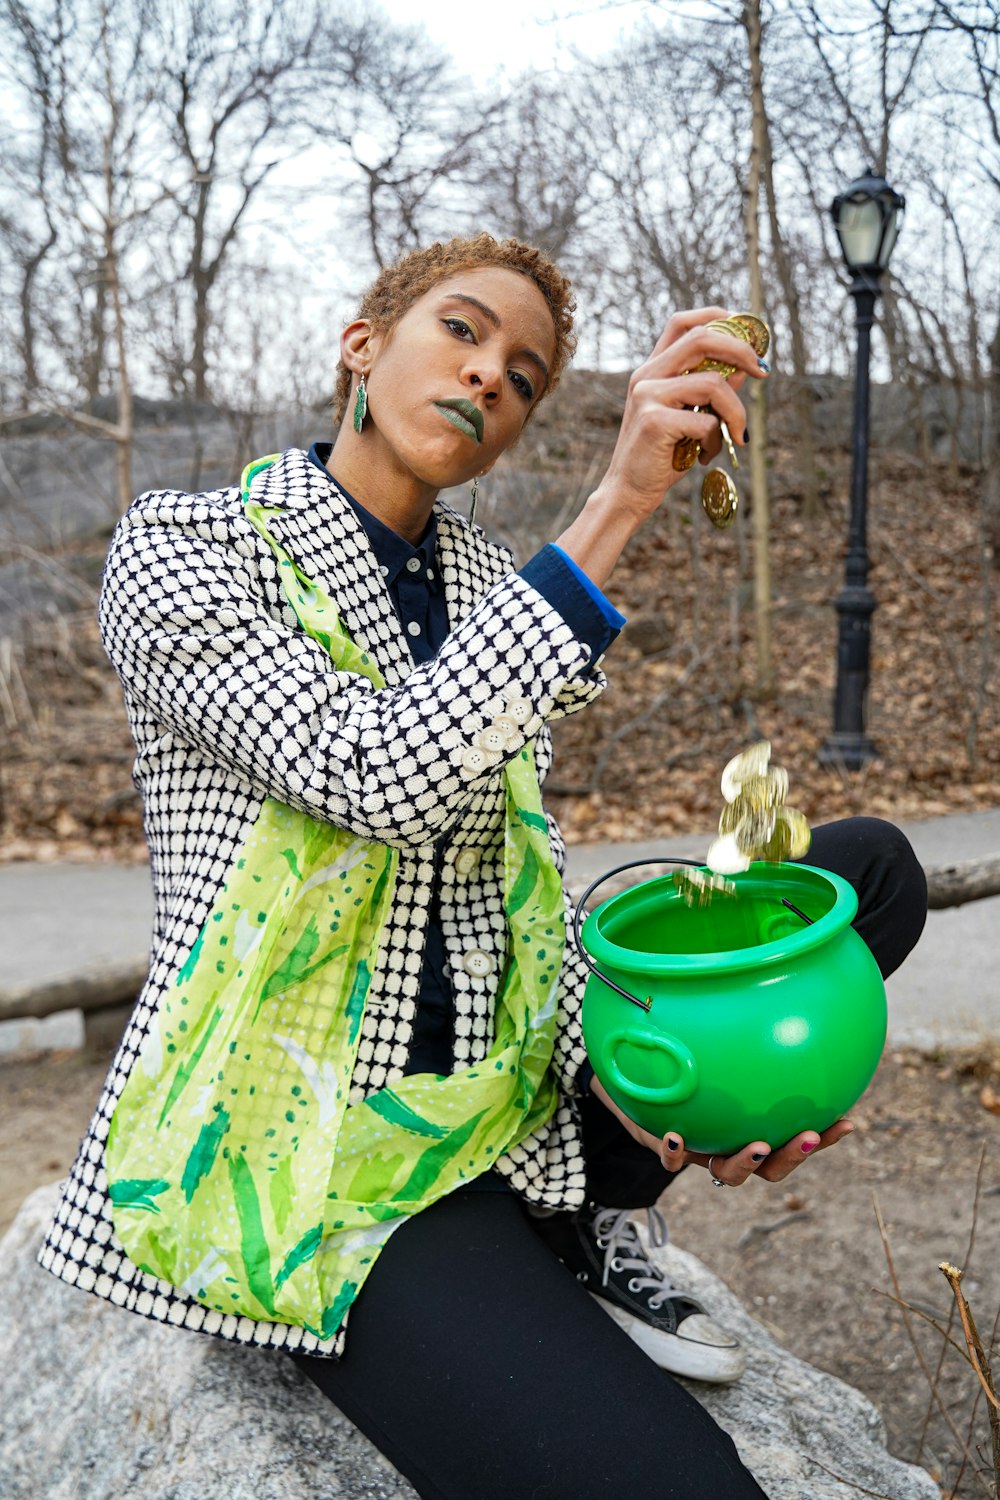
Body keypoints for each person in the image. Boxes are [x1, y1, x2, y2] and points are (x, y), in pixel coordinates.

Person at [39, 233, 927, 1499]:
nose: (489, 379)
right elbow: (372, 774)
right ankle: (529, 1234)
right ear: (364, 343)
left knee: (861, 875)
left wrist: (664, 1079)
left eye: (523, 375)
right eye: (460, 332)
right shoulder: (187, 546)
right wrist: (618, 500)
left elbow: (510, 891)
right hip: (336, 1142)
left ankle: (593, 1193)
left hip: (505, 1093)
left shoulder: (477, 585)